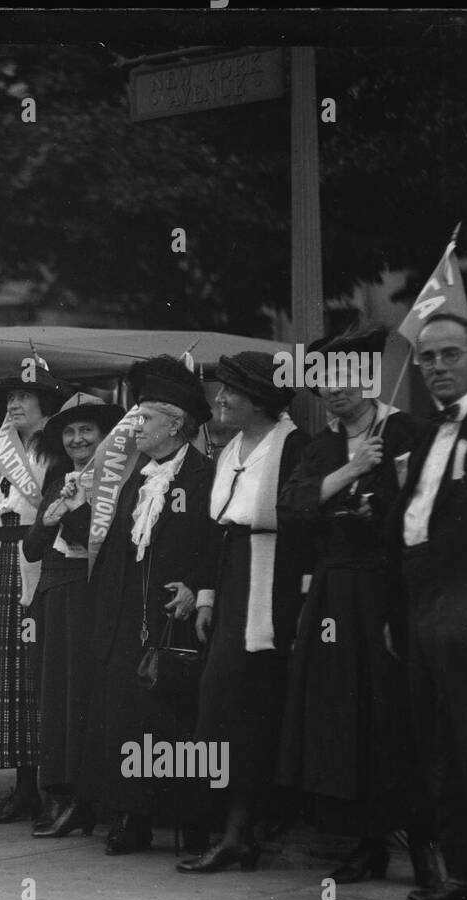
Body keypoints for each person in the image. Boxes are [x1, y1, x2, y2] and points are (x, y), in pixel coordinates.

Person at [275, 328, 425, 885]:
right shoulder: (323, 444)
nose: (333, 390)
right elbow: (291, 508)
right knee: (345, 714)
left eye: (344, 378)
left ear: (368, 378)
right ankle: (365, 841)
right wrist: (352, 470)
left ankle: (425, 845)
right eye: (322, 382)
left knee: (392, 713)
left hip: (389, 587)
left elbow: (421, 510)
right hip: (335, 592)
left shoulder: (406, 430)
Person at [178, 352, 311, 873]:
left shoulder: (293, 445)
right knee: (221, 706)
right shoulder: (231, 448)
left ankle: (240, 832)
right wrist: (207, 597)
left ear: (261, 398)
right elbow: (216, 532)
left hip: (271, 586)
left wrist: (299, 607)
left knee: (248, 709)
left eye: (231, 391)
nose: (220, 399)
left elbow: (304, 531)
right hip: (234, 581)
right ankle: (233, 828)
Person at [78, 358, 216, 855]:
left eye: (145, 419)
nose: (134, 427)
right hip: (124, 619)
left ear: (176, 424)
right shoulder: (133, 481)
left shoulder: (205, 477)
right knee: (123, 717)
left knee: (173, 720)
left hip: (172, 617)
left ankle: (190, 822)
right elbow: (114, 548)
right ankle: (130, 817)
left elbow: (217, 541)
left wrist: (198, 588)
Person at [386, 313, 467, 900]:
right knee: (440, 745)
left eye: (450, 355)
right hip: (422, 608)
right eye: (427, 359)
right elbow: (408, 523)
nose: (438, 368)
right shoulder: (425, 431)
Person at [0, 367, 72, 822]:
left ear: (44, 404)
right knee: (7, 681)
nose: (15, 404)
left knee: (35, 678)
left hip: (38, 562)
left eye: (25, 396)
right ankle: (24, 786)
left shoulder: (57, 451)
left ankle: (51, 789)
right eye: (11, 397)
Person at [22, 394, 125, 837]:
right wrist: (51, 516)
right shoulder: (61, 475)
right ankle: (59, 793)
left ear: (103, 438)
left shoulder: (114, 479)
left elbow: (101, 544)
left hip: (89, 593)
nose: (78, 439)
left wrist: (76, 509)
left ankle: (87, 797)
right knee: (55, 695)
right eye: (69, 432)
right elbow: (31, 547)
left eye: (86, 431)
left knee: (84, 693)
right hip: (56, 591)